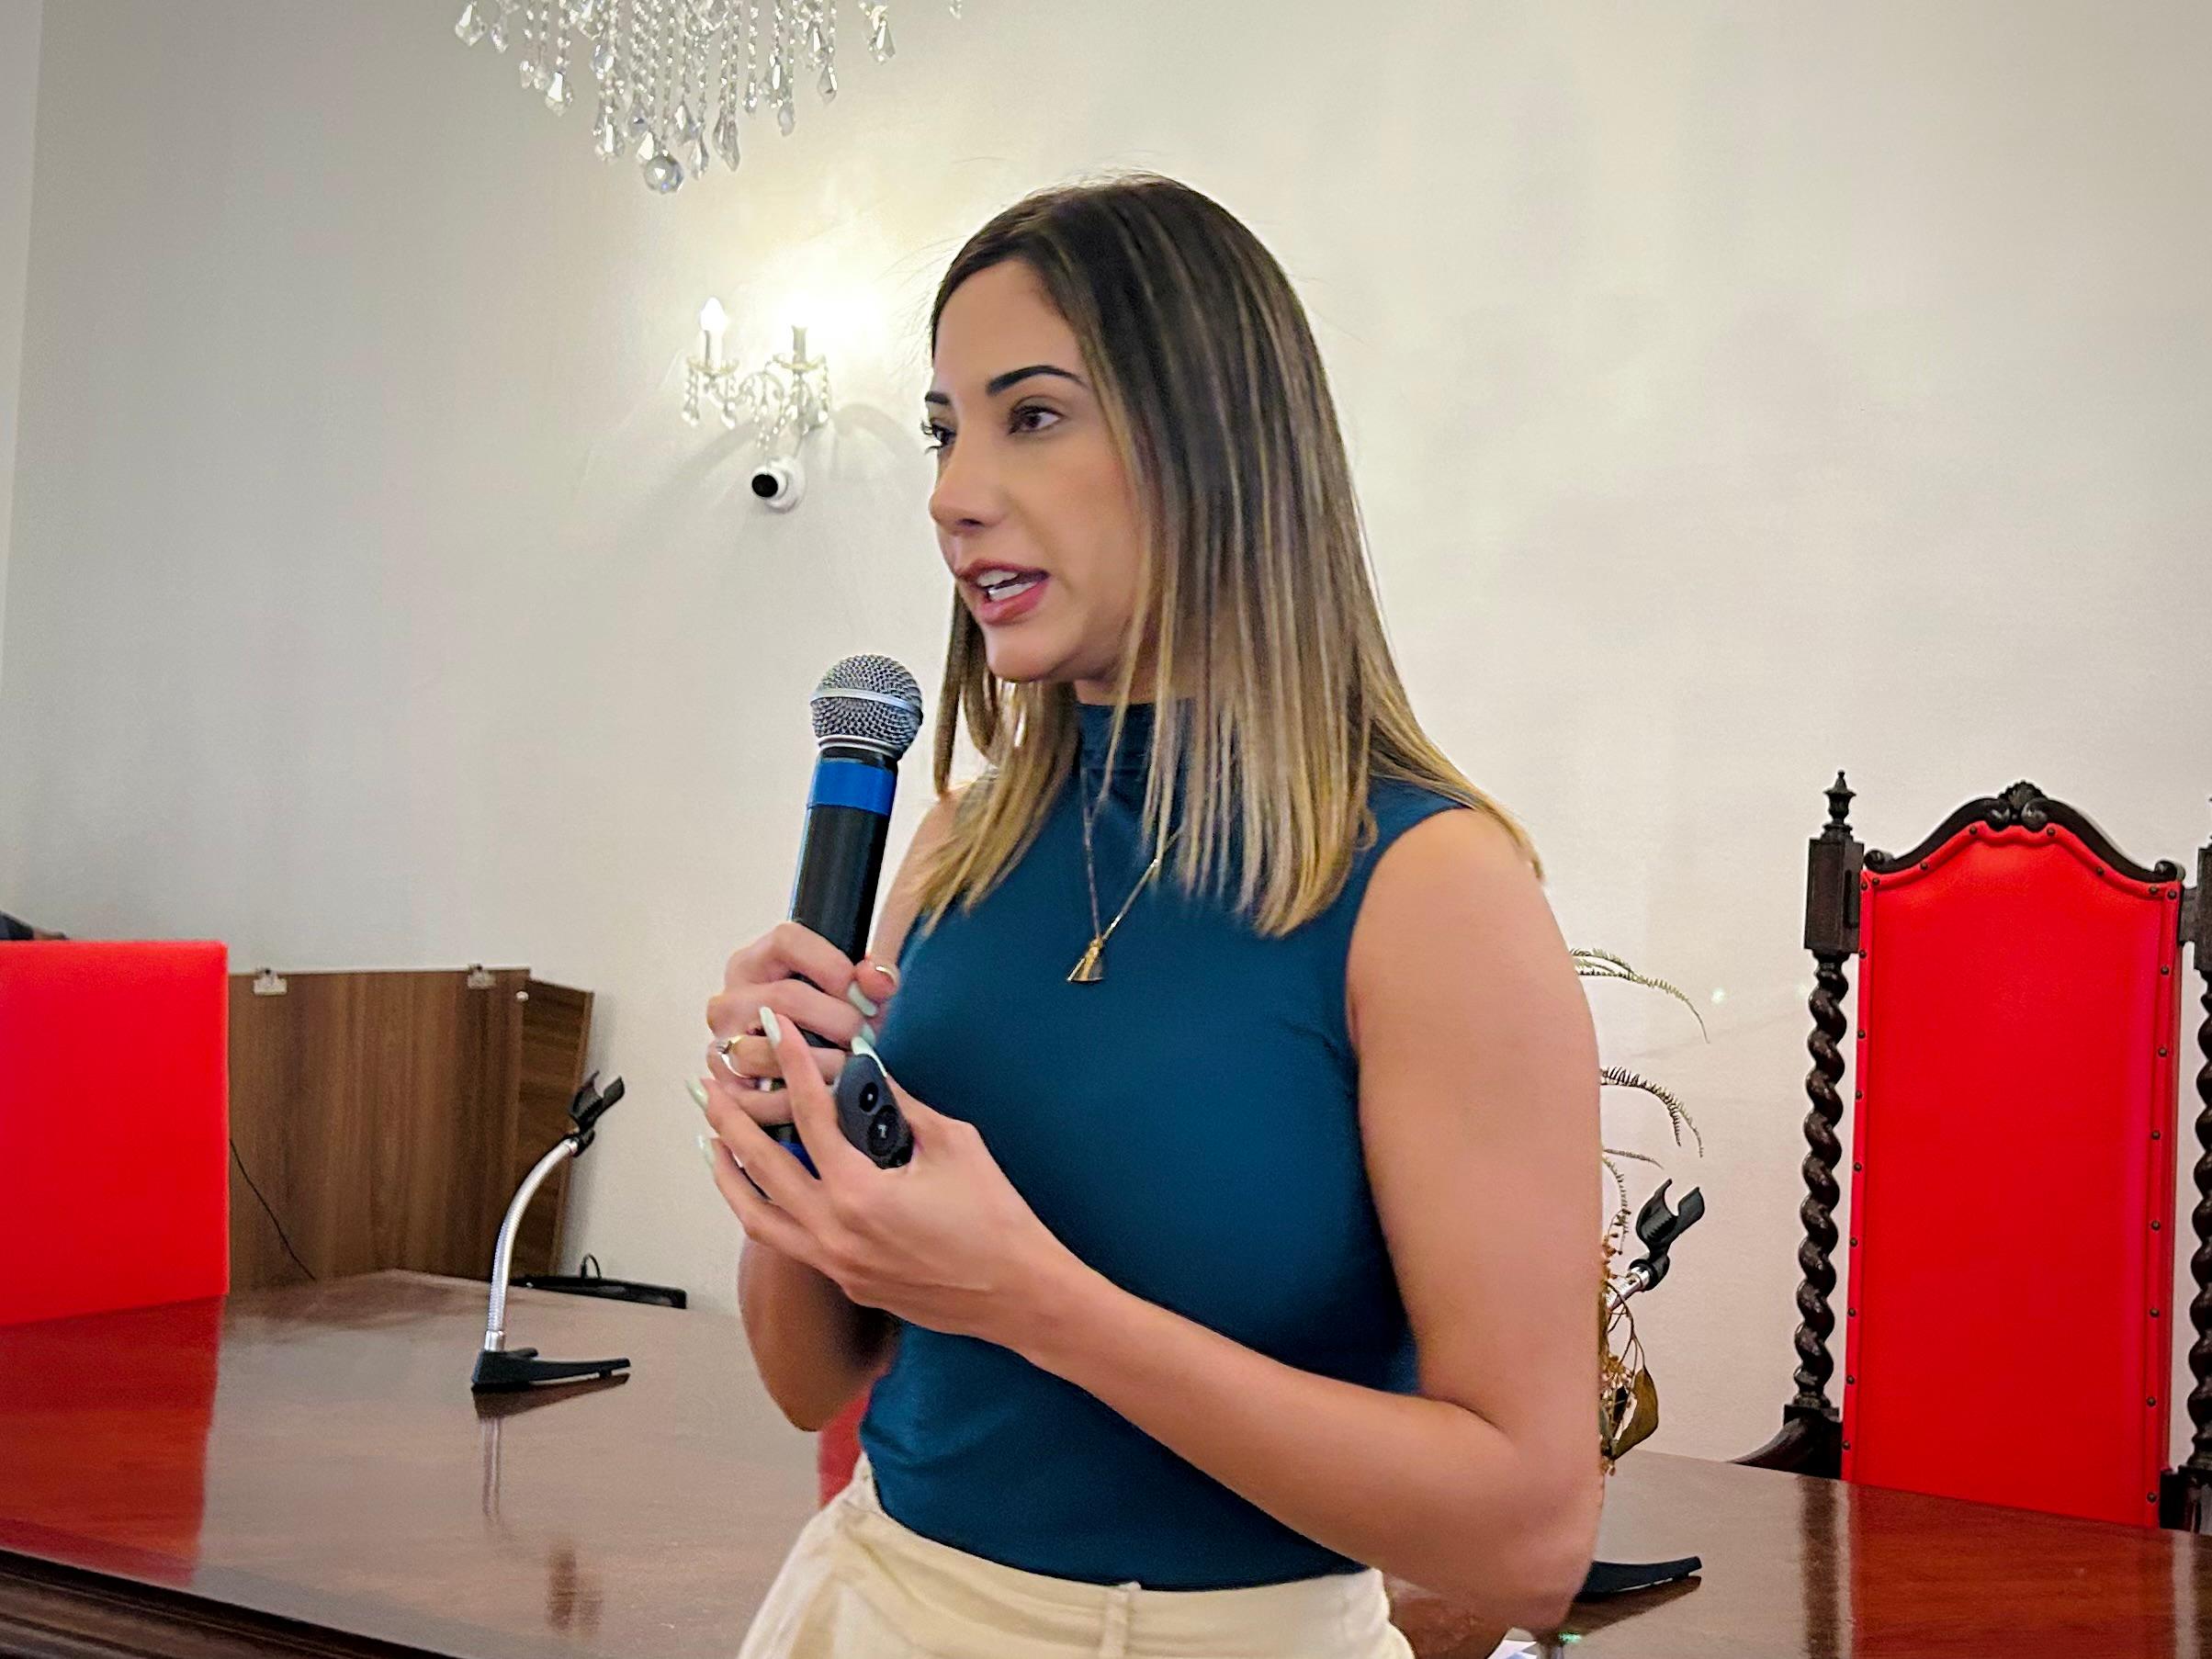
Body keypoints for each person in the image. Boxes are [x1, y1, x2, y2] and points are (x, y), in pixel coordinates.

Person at [697, 173, 1602, 1659]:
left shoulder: (1433, 891)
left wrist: (1038, 1299)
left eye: (1032, 415)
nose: (952, 492)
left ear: (1215, 445)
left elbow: (1529, 1535)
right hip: (869, 1608)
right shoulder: (955, 847)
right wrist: (783, 1134)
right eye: (944, 428)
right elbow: (810, 1378)